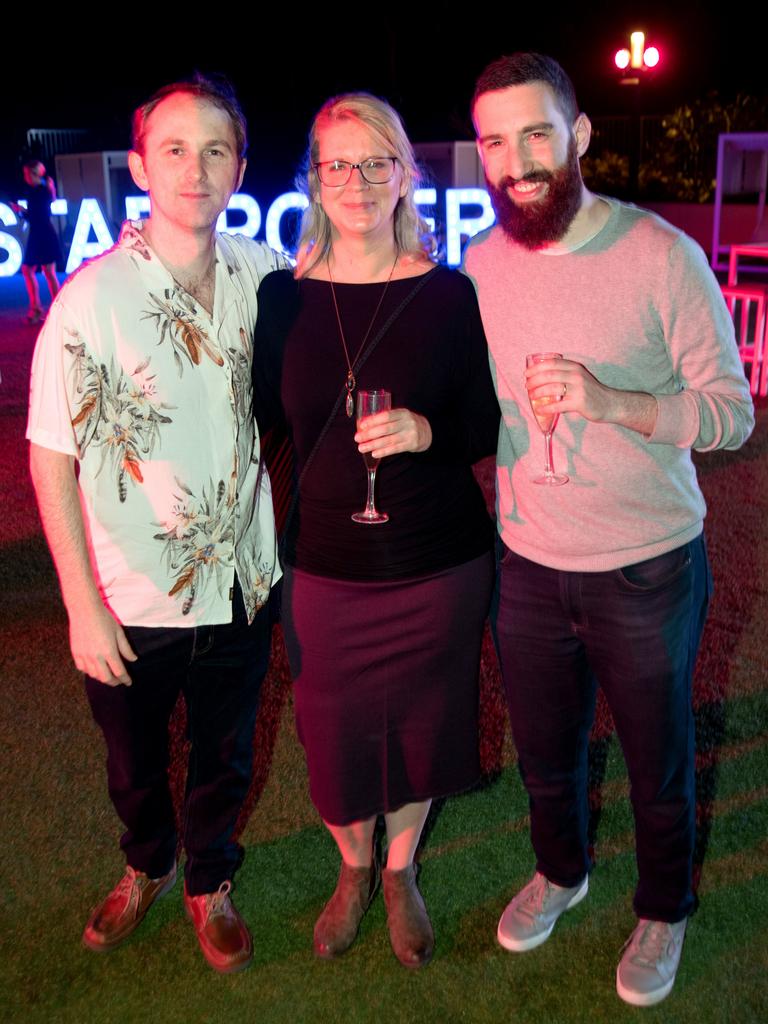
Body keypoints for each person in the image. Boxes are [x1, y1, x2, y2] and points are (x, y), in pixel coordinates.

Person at [464, 53, 754, 1007]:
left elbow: (731, 412)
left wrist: (615, 404)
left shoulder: (660, 254)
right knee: (547, 754)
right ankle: (562, 871)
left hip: (647, 567)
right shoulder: (482, 265)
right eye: (496, 142)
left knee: (656, 760)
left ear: (579, 135)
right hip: (532, 566)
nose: (516, 162)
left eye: (536, 134)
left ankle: (664, 907)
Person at [26, 75, 286, 973]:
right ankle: (146, 863)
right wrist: (79, 603)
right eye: (174, 149)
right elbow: (50, 454)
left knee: (225, 751)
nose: (196, 168)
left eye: (216, 149)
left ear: (240, 167)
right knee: (135, 764)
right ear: (139, 165)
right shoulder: (87, 303)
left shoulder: (266, 274)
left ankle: (210, 875)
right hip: (130, 594)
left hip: (245, 580)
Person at [252, 93, 499, 968]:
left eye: (376, 162)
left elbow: (485, 423)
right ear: (313, 181)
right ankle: (351, 868)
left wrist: (430, 432)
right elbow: (265, 428)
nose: (356, 182)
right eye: (336, 165)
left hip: (439, 560)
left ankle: (399, 871)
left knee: (425, 719)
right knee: (333, 725)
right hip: (325, 562)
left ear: (406, 175)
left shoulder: (449, 294)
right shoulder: (280, 299)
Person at [12, 160, 62, 323]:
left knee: (46, 272)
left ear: (34, 174)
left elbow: (38, 215)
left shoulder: (41, 191)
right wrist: (22, 211)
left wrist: (22, 212)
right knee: (34, 270)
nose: (25, 177)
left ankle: (49, 309)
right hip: (39, 233)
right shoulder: (37, 190)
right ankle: (41, 309)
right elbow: (36, 214)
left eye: (27, 174)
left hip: (43, 233)